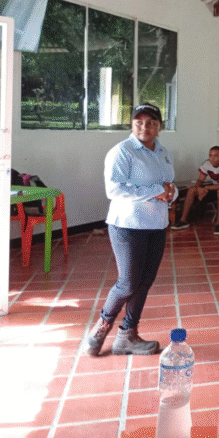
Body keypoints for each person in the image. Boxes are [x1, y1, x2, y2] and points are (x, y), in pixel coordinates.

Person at [86, 103, 176, 356]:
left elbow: (168, 184)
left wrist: (171, 192)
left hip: (157, 224)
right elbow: (113, 190)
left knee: (145, 281)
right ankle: (101, 328)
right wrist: (155, 192)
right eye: (139, 121)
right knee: (128, 282)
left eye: (151, 122)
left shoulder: (162, 152)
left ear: (159, 126)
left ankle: (128, 335)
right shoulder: (122, 151)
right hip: (128, 225)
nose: (145, 127)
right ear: (132, 123)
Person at [172, 146, 219, 233]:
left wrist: (206, 187)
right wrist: (199, 189)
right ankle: (183, 220)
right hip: (213, 189)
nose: (212, 158)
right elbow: (200, 180)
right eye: (210, 155)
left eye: (216, 155)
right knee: (192, 189)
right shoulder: (206, 164)